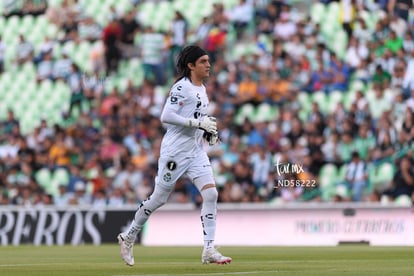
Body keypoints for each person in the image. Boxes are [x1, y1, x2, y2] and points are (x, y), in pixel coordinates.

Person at [117, 45, 232, 266]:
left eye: (208, 61)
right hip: (175, 153)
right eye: (203, 62)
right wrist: (197, 123)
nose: (208, 65)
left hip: (196, 152)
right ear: (191, 65)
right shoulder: (182, 88)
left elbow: (198, 119)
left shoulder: (202, 89)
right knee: (159, 198)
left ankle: (209, 248)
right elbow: (166, 115)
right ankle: (129, 235)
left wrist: (207, 132)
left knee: (211, 195)